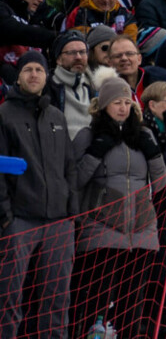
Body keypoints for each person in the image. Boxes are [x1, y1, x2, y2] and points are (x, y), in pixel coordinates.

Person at [72, 75, 166, 334]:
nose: (123, 107)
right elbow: (75, 180)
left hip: (141, 231)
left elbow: (161, 184)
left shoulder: (144, 134)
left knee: (133, 304)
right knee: (93, 302)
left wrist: (153, 152)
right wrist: (96, 152)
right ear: (103, 105)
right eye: (116, 102)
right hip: (101, 228)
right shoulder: (88, 134)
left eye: (127, 102)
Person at [0, 52, 78, 339]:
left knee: (57, 300)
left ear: (47, 76)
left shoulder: (57, 116)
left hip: (59, 221)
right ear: (18, 76)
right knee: (7, 296)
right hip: (19, 220)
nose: (34, 74)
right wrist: (6, 216)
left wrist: (72, 212)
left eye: (40, 70)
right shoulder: (4, 115)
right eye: (28, 69)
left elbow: (70, 166)